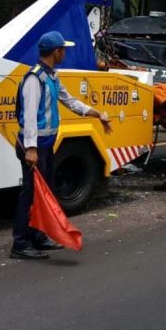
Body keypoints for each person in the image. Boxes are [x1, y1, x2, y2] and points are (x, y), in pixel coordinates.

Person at [11, 31, 112, 260]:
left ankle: (38, 236)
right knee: (29, 195)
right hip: (34, 148)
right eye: (63, 50)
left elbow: (70, 101)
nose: (65, 53)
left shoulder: (52, 76)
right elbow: (28, 116)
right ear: (56, 52)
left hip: (46, 146)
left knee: (43, 195)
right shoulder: (34, 78)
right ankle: (20, 243)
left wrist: (97, 114)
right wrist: (31, 149)